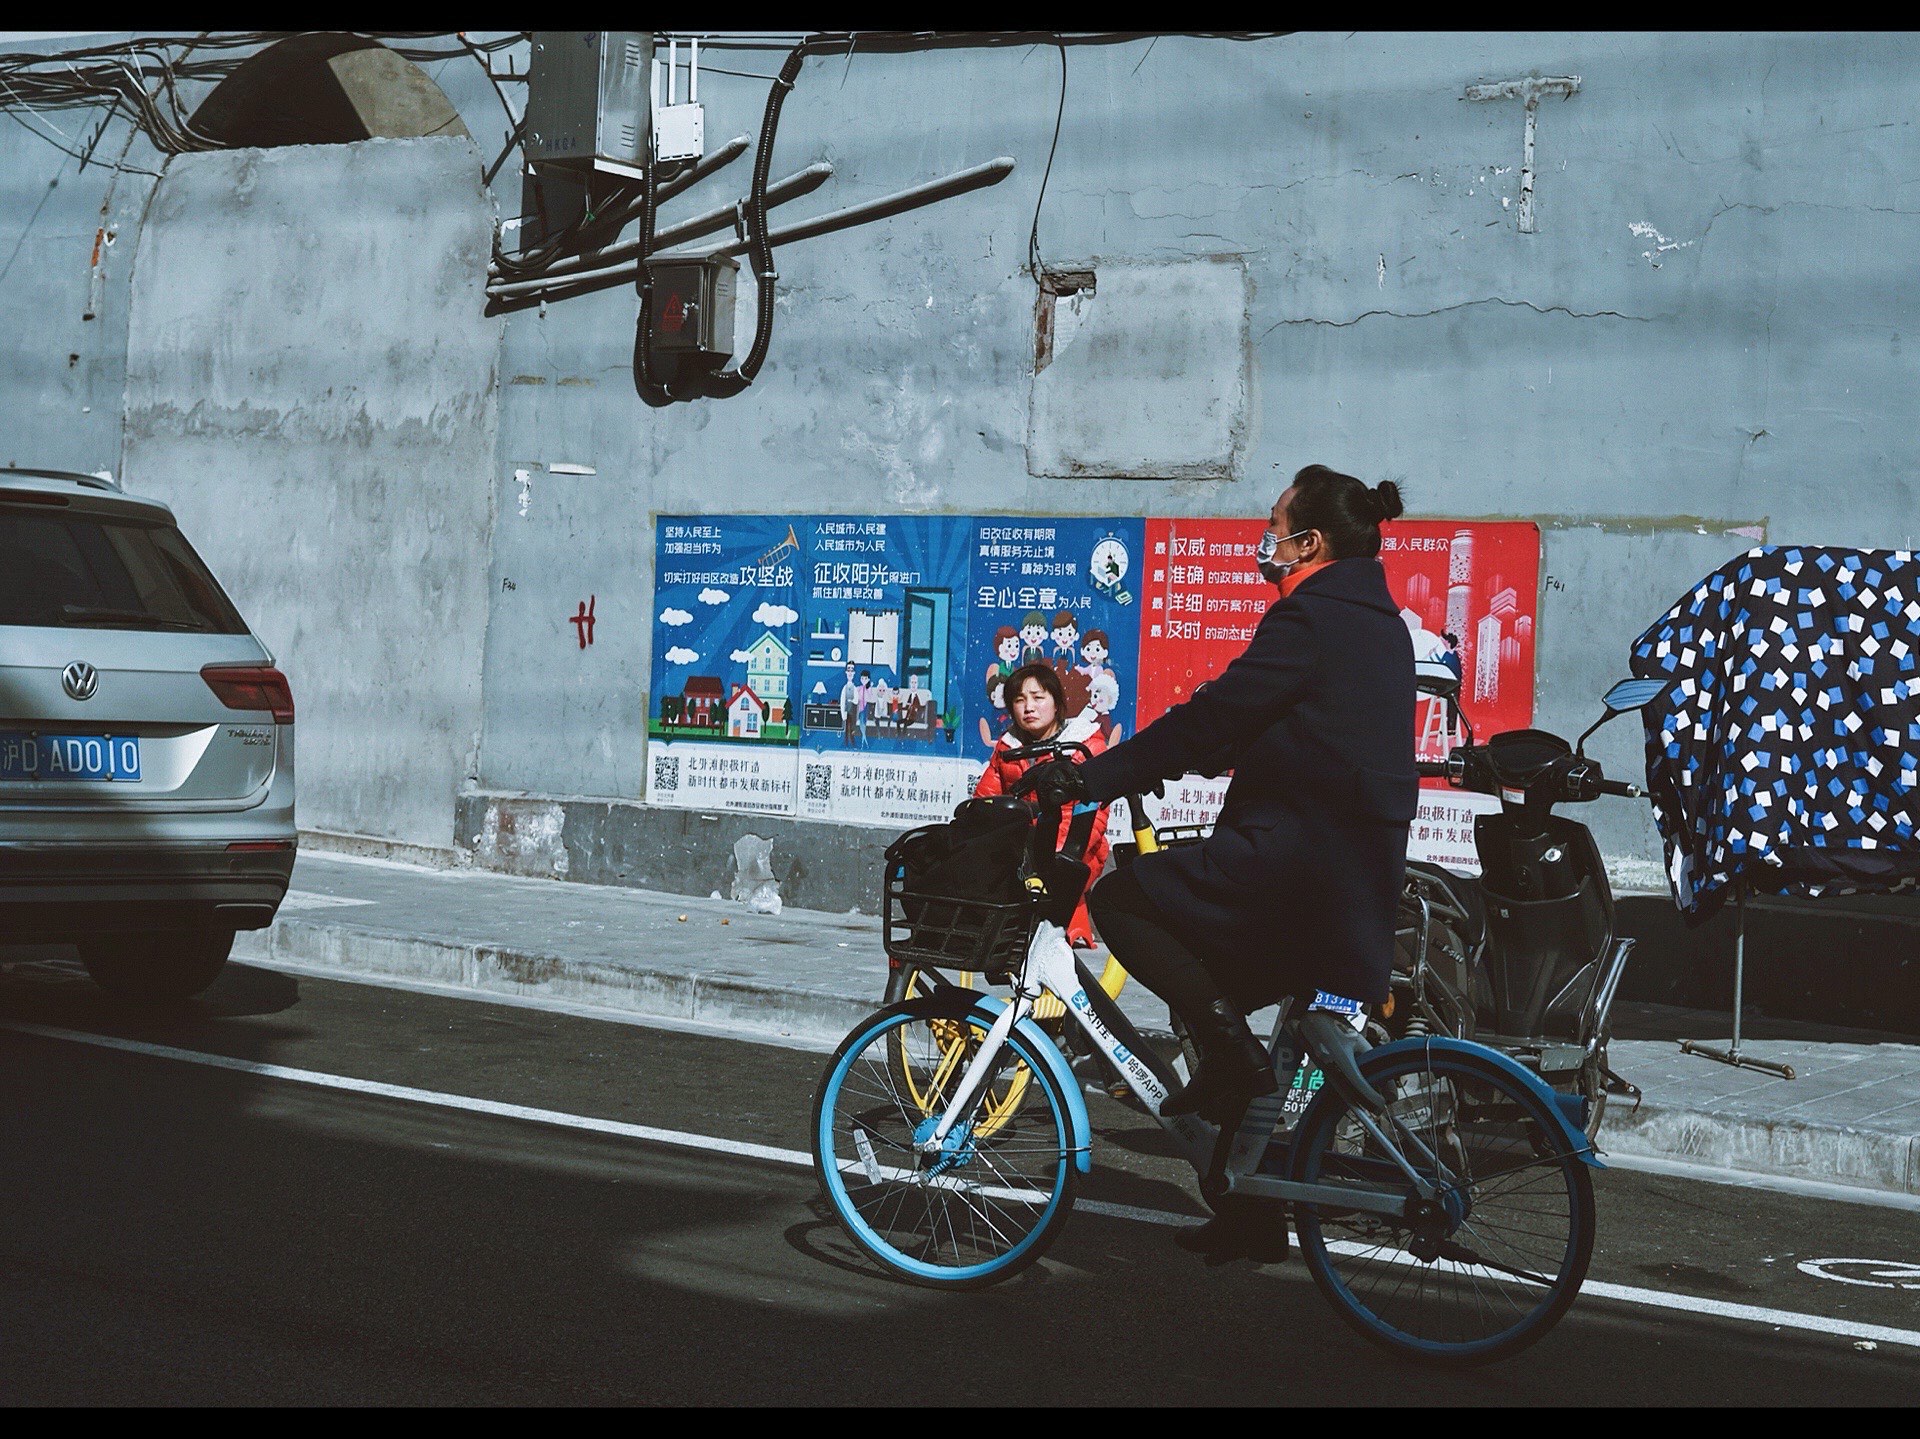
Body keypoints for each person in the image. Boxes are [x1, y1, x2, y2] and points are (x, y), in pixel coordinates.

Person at [1025, 464, 1417, 1259]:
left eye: (1277, 524)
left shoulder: (1310, 617)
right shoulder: (1374, 618)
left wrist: (1092, 774)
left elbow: (1216, 716)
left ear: (1309, 541)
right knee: (1212, 1007)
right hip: (1348, 880)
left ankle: (1236, 1070)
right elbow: (1289, 726)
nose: (1265, 539)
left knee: (1125, 900)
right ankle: (1247, 1214)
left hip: (1300, 869)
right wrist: (1196, 755)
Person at [974, 662, 1111, 949]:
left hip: (1073, 847)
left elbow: (1095, 815)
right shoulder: (1008, 746)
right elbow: (985, 800)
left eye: (1038, 698)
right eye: (1019, 700)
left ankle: (1072, 919)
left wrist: (1058, 853)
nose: (1029, 708)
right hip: (1023, 849)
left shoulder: (1084, 744)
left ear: (1057, 702)